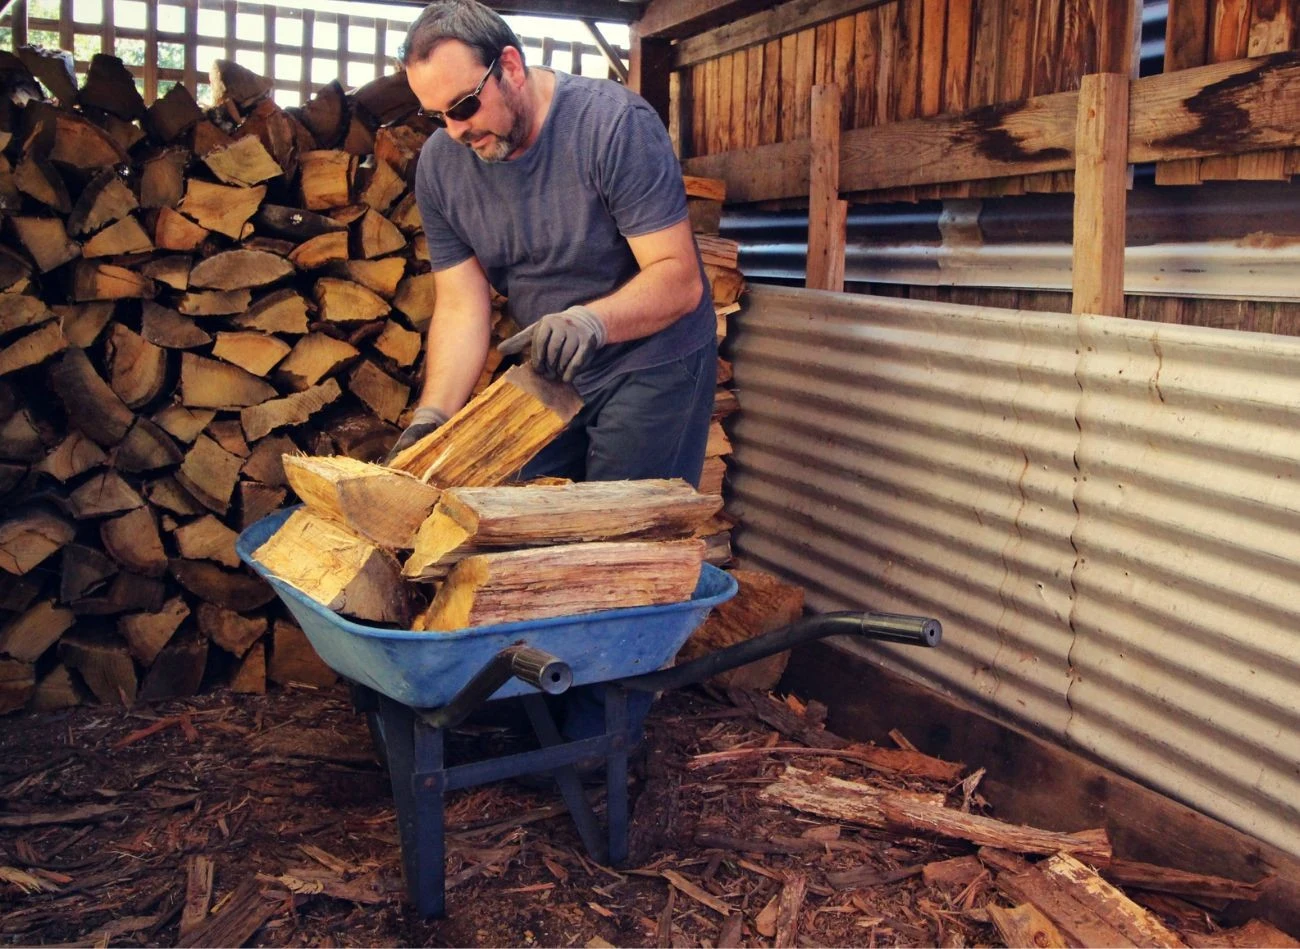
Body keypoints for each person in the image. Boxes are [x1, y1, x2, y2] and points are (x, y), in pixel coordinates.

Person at [390, 0, 718, 744]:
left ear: (510, 66)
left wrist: (593, 320)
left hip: (651, 356)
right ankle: (531, 718)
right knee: (510, 526)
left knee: (618, 549)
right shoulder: (445, 165)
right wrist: (433, 417)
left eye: (465, 106)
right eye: (435, 116)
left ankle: (602, 746)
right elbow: (463, 304)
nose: (456, 131)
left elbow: (678, 279)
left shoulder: (613, 126)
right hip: (551, 366)